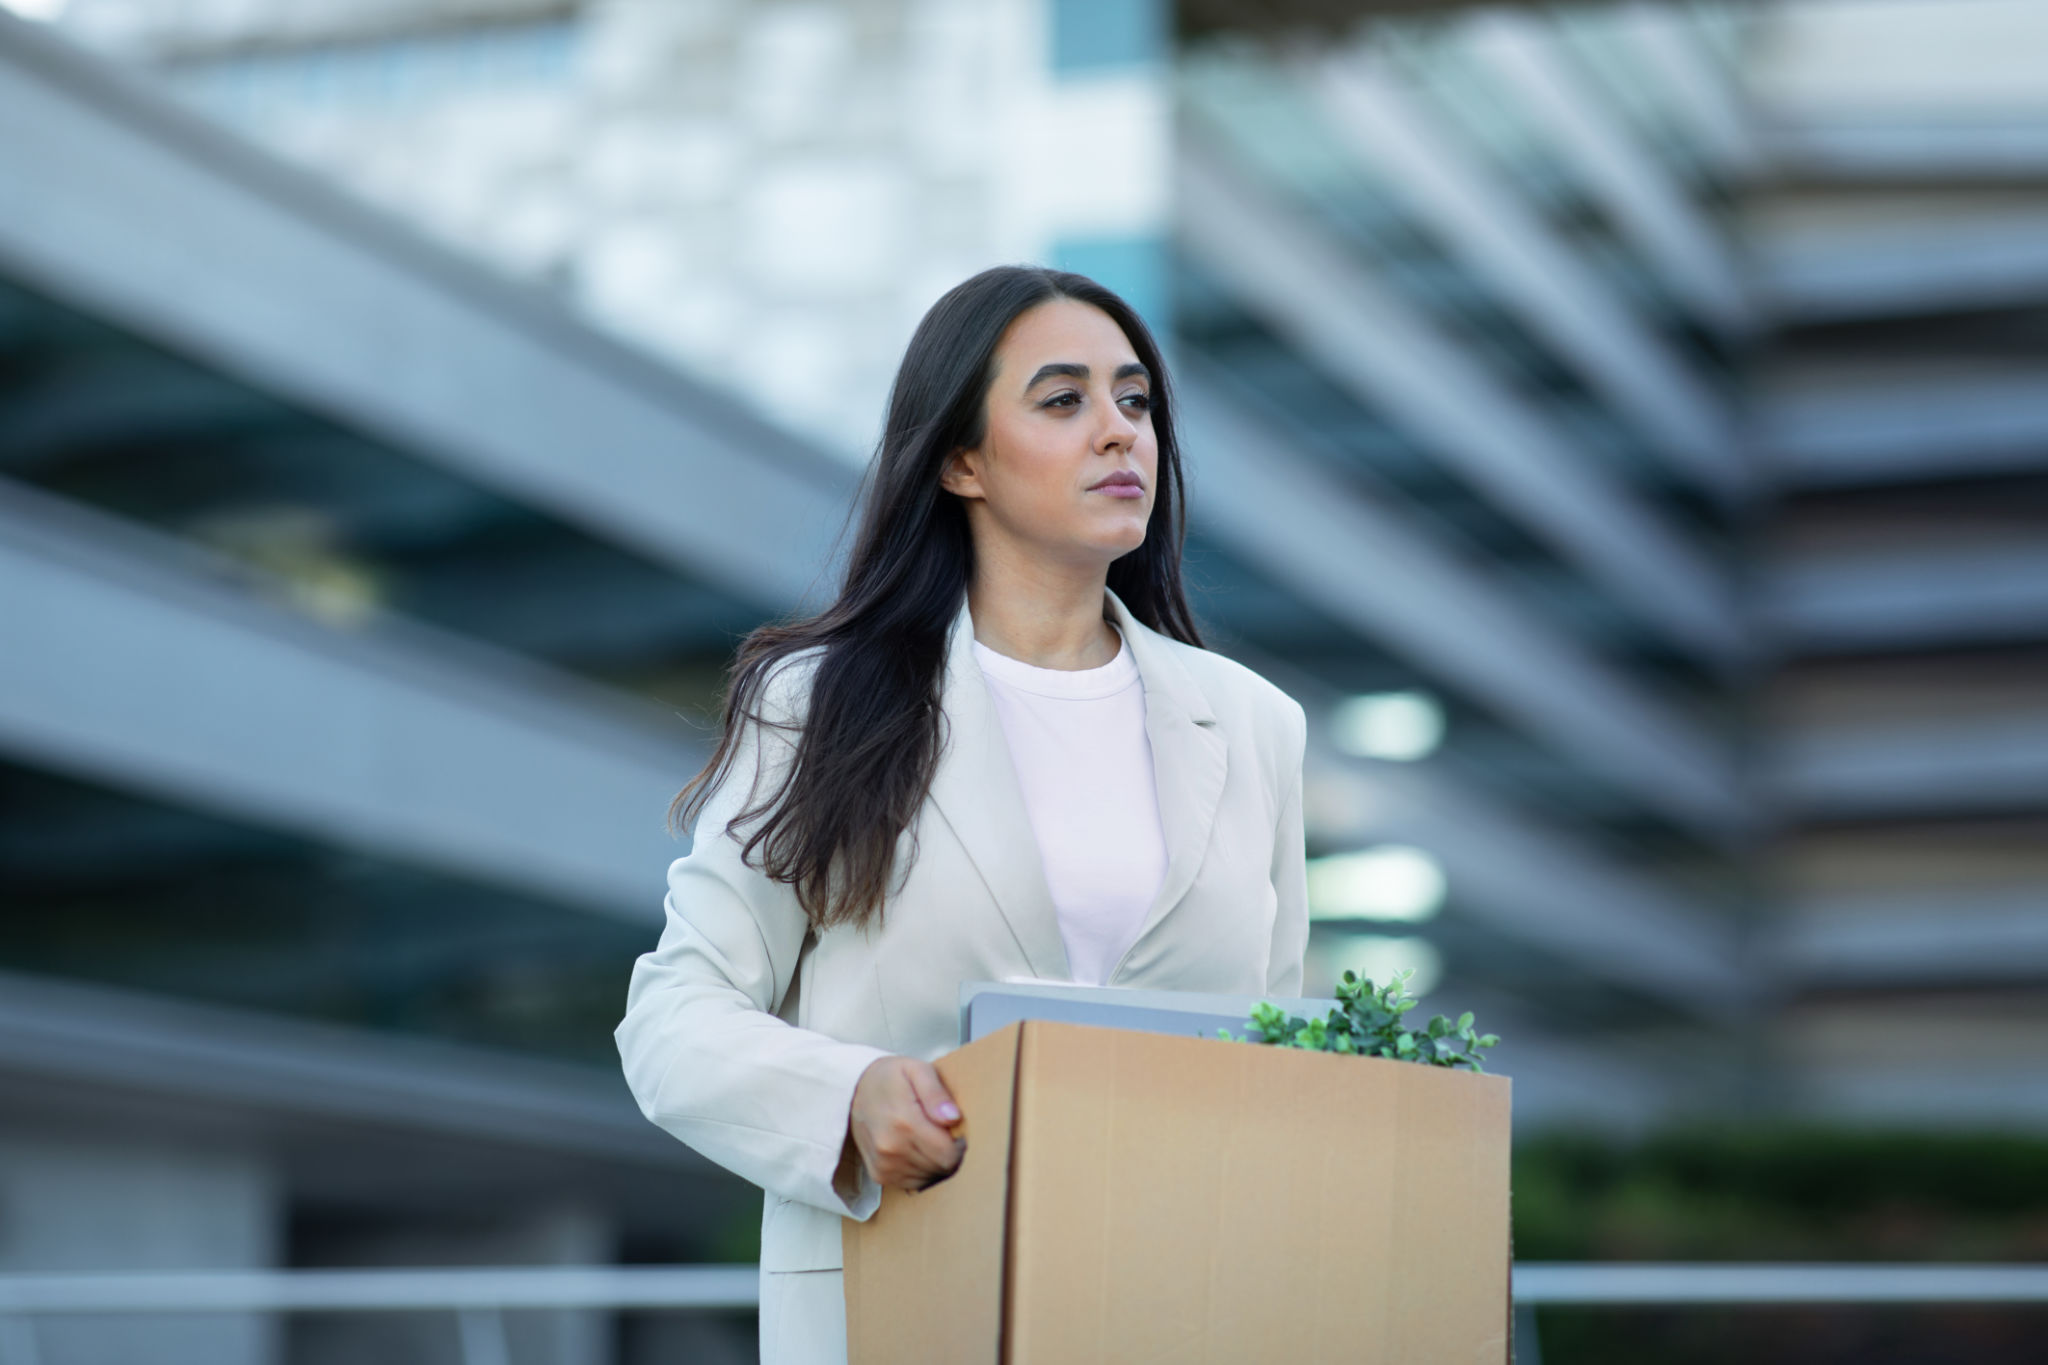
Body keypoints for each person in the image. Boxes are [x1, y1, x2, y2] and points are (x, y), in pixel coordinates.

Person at [614, 264, 1309, 1364]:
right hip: (903, 1305)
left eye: (1135, 402)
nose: (1119, 433)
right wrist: (845, 1098)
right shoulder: (822, 705)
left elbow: (1282, 1057)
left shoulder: (1255, 725)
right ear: (959, 460)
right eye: (1062, 400)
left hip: (1179, 1314)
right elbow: (669, 1019)